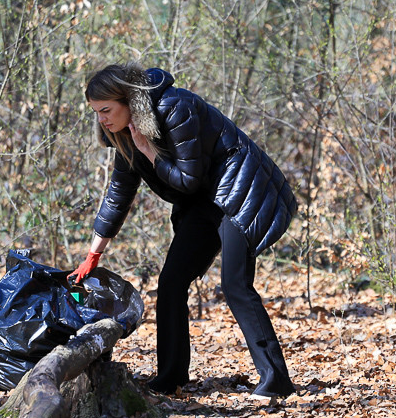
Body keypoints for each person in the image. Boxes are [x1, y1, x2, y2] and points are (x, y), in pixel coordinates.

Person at [69, 62, 298, 399]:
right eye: (96, 112)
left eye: (106, 110)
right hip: (202, 202)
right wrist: (93, 254)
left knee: (234, 285)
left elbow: (188, 180)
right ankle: (171, 376)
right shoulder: (121, 134)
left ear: (129, 102)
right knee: (171, 282)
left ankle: (276, 378)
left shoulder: (174, 108)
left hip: (238, 191)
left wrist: (148, 149)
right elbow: (118, 194)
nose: (101, 119)